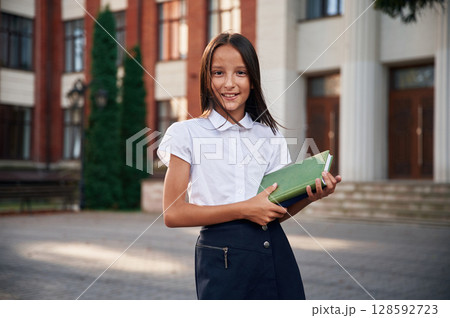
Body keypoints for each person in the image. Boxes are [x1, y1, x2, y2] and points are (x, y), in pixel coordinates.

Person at [157, 32, 341, 300]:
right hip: (222, 257)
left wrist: (310, 195)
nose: (229, 83)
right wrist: (245, 209)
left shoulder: (268, 134)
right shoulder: (186, 133)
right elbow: (173, 214)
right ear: (207, 81)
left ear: (253, 81)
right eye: (218, 73)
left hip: (275, 252)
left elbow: (275, 211)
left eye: (240, 73)